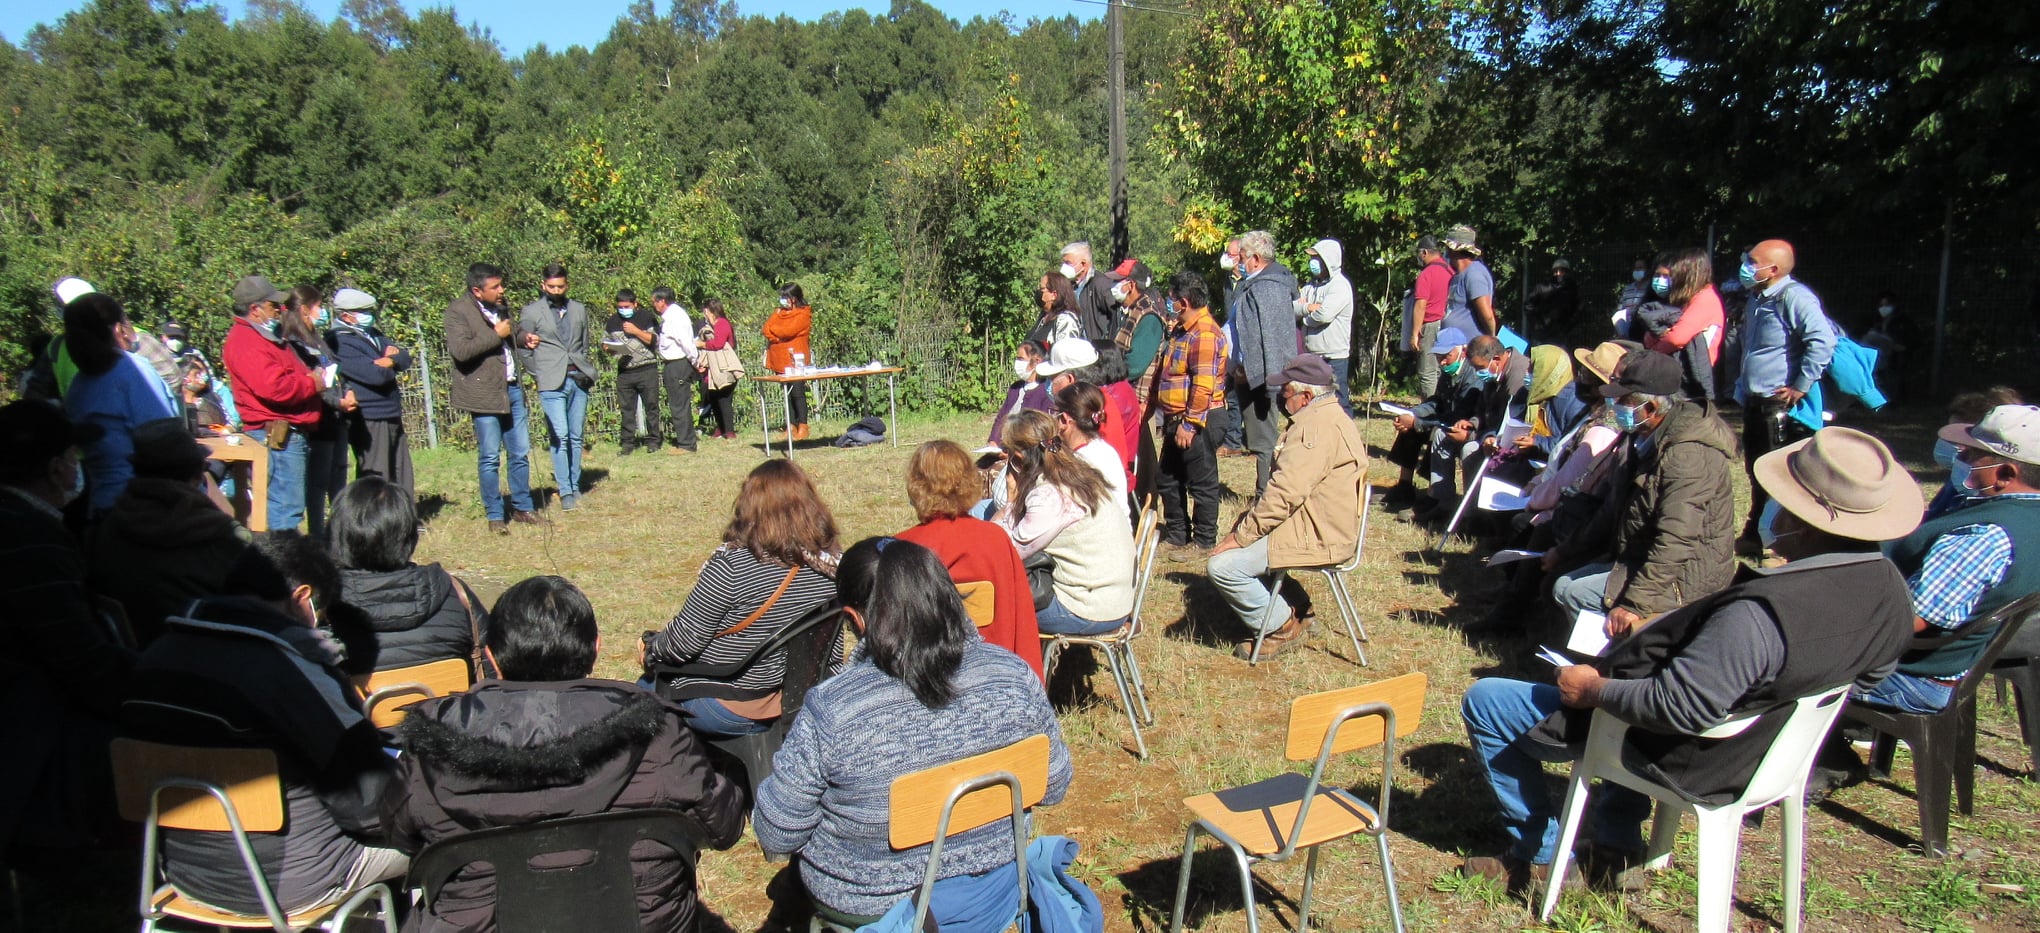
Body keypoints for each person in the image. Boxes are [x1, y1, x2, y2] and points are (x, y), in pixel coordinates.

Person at [1459, 426, 1920, 892]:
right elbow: (1869, 677)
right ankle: (1616, 844)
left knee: (1489, 700)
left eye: (1781, 500)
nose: (1771, 510)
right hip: (1768, 750)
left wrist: (1592, 689)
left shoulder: (1760, 612)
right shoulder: (1889, 591)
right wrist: (1674, 631)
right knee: (1638, 678)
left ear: (1802, 523)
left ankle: (1540, 858)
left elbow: (1678, 706)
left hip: (1695, 753)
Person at [385, 575, 745, 933]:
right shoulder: (660, 734)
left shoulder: (432, 743)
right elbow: (723, 826)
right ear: (596, 648)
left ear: (491, 656)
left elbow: (395, 830)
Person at [753, 538, 1073, 925]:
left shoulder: (833, 709)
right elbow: (1054, 784)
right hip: (997, 890)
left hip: (877, 907)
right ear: (946, 594)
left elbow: (777, 832)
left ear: (856, 620)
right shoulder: (1014, 675)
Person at [124, 533, 407, 916]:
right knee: (451, 831)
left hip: (184, 875)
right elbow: (369, 805)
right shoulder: (293, 668)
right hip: (294, 881)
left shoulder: (155, 656)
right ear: (303, 598)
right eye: (321, 616)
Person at [0, 401, 130, 855]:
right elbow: (81, 661)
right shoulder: (31, 539)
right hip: (28, 732)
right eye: (74, 458)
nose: (78, 468)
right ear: (57, 469)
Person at [1855, 405, 2040, 716]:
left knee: (1778, 668)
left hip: (1909, 677)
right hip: (1928, 668)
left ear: (2006, 474)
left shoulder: (1984, 536)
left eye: (1973, 454)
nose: (1961, 457)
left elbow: (1909, 619)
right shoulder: (2023, 517)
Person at [644, 460, 841, 737]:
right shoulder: (830, 568)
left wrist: (650, 648)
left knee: (637, 696)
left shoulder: (732, 567)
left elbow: (683, 644)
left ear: (749, 507)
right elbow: (831, 653)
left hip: (725, 702)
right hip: (796, 700)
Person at [1550, 352, 1738, 637]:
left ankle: (1617, 659)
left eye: (1623, 401)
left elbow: (1677, 540)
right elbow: (1612, 509)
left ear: (1650, 407)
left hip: (1686, 577)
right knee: (1562, 586)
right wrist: (1565, 550)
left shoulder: (1688, 456)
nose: (1614, 406)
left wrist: (1635, 603)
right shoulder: (1641, 437)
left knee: (1578, 594)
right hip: (1641, 556)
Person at [1207, 354, 1366, 659]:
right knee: (1247, 538)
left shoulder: (1313, 429)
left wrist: (1242, 535)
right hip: (1326, 525)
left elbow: (1284, 494)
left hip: (1318, 534)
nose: (1281, 397)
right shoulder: (1332, 416)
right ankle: (1299, 607)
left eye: (1286, 392)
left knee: (1223, 567)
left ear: (1306, 396)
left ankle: (1281, 627)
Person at [84, 418, 250, 646]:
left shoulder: (105, 530)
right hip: (207, 656)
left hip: (132, 656)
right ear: (197, 476)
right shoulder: (222, 537)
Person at [895, 440, 1044, 680]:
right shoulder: (996, 540)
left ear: (916, 486)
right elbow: (1023, 626)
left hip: (927, 682)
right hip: (996, 677)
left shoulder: (900, 549)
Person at [1733, 238, 1836, 556]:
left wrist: (1801, 385)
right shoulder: (1757, 298)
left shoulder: (1794, 297)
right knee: (1756, 470)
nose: (1745, 267)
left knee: (1777, 473)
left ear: (1773, 269)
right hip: (1754, 401)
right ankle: (1754, 533)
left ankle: (1778, 541)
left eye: (1752, 262)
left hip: (1778, 404)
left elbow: (1822, 340)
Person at [328, 476, 489, 677]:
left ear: (339, 534)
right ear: (411, 533)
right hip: (447, 697)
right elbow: (491, 668)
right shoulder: (455, 593)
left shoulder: (321, 607)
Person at [992, 410, 1136, 636]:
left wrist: (1011, 498)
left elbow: (1008, 551)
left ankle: (1002, 658)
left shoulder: (1050, 495)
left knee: (992, 603)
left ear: (1017, 456)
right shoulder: (1079, 470)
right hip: (1115, 599)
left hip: (1086, 610)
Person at [60, 292, 178, 515]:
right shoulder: (133, 370)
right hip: (145, 506)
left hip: (101, 507)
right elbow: (165, 439)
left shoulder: (78, 385)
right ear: (117, 329)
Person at [446, 262, 541, 535]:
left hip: (511, 388)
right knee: (490, 456)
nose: (502, 290)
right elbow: (461, 351)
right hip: (484, 393)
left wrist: (524, 338)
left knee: (520, 452)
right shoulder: (458, 311)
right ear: (477, 290)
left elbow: (512, 331)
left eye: (501, 284)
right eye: (495, 287)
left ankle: (523, 507)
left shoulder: (500, 306)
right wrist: (495, 335)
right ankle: (495, 515)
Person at [1153, 271, 1230, 556]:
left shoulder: (1205, 333)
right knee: (1168, 478)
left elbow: (1203, 384)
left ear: (1183, 302)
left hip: (1199, 419)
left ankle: (1204, 540)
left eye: (1171, 298)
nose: (1169, 303)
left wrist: (1191, 423)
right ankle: (1177, 534)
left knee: (1201, 482)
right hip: (1177, 418)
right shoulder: (1181, 330)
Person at [520, 263, 597, 510]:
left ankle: (574, 484)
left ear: (567, 285)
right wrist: (538, 373)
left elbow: (584, 344)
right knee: (560, 436)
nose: (556, 291)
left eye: (560, 286)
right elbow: (523, 348)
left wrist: (582, 368)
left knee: (575, 436)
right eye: (551, 286)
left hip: (578, 379)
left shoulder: (578, 309)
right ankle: (565, 490)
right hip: (551, 382)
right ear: (543, 285)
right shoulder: (531, 312)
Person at [1231, 230, 1302, 495]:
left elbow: (1272, 337)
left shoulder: (1269, 288)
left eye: (1242, 257)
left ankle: (1266, 496)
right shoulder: (1255, 285)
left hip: (1264, 376)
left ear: (1256, 259)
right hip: (1252, 373)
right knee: (1260, 438)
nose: (1239, 263)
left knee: (1265, 440)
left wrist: (1271, 382)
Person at [326, 287, 414, 495]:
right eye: (364, 311)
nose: (369, 315)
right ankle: (374, 513)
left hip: (391, 410)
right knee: (377, 474)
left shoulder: (373, 334)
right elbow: (374, 375)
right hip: (369, 415)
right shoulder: (338, 341)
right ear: (346, 316)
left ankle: (403, 513)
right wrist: (389, 361)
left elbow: (404, 357)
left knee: (401, 471)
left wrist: (389, 360)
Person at [282, 285, 354, 538]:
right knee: (318, 482)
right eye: (318, 306)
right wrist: (337, 402)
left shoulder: (318, 340)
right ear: (304, 309)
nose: (321, 311)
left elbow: (335, 372)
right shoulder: (293, 344)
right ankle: (317, 537)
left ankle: (338, 534)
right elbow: (312, 382)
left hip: (338, 419)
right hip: (320, 420)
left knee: (339, 478)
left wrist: (348, 394)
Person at [1382, 327, 1478, 510]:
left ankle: (1437, 497)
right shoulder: (1448, 373)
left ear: (1463, 351)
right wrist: (1414, 413)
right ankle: (1404, 486)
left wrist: (1418, 422)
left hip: (1460, 427)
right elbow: (1437, 402)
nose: (1442, 362)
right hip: (1444, 420)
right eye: (1439, 357)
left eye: (1447, 356)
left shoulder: (1472, 376)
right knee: (1410, 428)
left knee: (1425, 428)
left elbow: (1457, 417)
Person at [1635, 248, 1726, 403]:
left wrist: (1653, 352)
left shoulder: (1705, 299)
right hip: (1676, 374)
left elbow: (1676, 338)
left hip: (1692, 378)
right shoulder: (1685, 299)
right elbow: (1652, 334)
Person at [1926, 387, 2024, 519]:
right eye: (1952, 437)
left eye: (1964, 439)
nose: (1953, 445)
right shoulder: (1959, 481)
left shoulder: (2002, 508)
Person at [1054, 382, 1131, 521]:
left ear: (1065, 420)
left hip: (1104, 529)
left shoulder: (1080, 462)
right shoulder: (1103, 447)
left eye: (1055, 414)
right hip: (1120, 525)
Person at [1296, 238, 1355, 415]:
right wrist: (1308, 308)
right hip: (1313, 354)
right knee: (1315, 402)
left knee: (1339, 401)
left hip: (1334, 356)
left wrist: (1305, 318)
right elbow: (1291, 308)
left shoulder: (1340, 286)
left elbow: (1324, 315)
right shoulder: (1310, 286)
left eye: (1317, 258)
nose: (1313, 262)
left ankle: (1345, 431)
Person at [605, 288, 664, 458]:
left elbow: (655, 340)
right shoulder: (612, 321)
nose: (624, 310)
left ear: (635, 304)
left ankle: (653, 441)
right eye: (620, 307)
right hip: (625, 371)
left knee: (651, 407)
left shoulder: (646, 317)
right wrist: (607, 347)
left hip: (647, 369)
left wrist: (636, 331)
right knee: (626, 410)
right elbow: (605, 341)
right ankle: (627, 444)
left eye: (627, 306)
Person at [652, 286, 700, 454]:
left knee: (679, 404)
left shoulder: (675, 317)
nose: (653, 305)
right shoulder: (670, 316)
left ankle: (686, 444)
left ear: (662, 301)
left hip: (678, 363)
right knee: (677, 403)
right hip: (673, 363)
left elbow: (686, 343)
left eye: (654, 302)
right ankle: (685, 440)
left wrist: (695, 361)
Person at [765, 283, 815, 441]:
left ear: (794, 298)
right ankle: (791, 425)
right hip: (779, 360)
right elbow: (766, 328)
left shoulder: (803, 314)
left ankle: (803, 426)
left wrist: (777, 333)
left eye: (785, 297)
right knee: (787, 394)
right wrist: (778, 338)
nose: (782, 300)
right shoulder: (778, 312)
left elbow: (788, 331)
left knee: (797, 393)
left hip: (796, 360)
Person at [1410, 236, 1455, 398]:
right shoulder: (1450, 271)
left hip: (1430, 326)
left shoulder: (1426, 274)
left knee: (1427, 371)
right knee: (1442, 369)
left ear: (1424, 252)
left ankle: (1429, 406)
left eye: (1419, 254)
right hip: (1448, 324)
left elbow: (1421, 305)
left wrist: (1415, 334)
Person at [988, 340, 1053, 447]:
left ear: (1036, 361)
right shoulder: (1015, 388)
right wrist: (993, 441)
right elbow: (1001, 417)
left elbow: (1042, 430)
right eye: (1017, 358)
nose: (1017, 363)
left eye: (1021, 359)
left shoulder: (1046, 392)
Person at [1442, 224, 1498, 337]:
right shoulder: (1457, 277)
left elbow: (1487, 316)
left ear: (1453, 250)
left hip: (1471, 345)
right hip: (1454, 345)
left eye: (1447, 247)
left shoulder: (1474, 273)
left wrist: (1491, 339)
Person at [698, 300, 739, 439]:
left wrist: (702, 344)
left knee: (724, 399)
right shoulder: (711, 326)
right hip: (712, 371)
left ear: (709, 311)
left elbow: (718, 343)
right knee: (714, 399)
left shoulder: (722, 323)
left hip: (724, 369)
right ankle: (721, 428)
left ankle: (729, 430)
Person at [1063, 240, 1118, 341]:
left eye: (1068, 263)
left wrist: (1107, 343)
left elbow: (1116, 316)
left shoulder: (1100, 284)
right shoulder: (1068, 286)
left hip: (1096, 346)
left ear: (1083, 264)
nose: (1064, 267)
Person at [1525, 258, 1580, 337]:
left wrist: (1569, 326)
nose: (1559, 274)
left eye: (1562, 271)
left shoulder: (1571, 289)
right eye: (1556, 271)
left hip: (1561, 332)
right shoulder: (1542, 287)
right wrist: (1537, 323)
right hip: (1543, 332)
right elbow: (1529, 305)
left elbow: (1576, 308)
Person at [1030, 271, 1084, 350]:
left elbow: (1064, 352)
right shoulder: (1043, 317)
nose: (1038, 292)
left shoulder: (1065, 320)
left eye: (1042, 289)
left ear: (1054, 295)